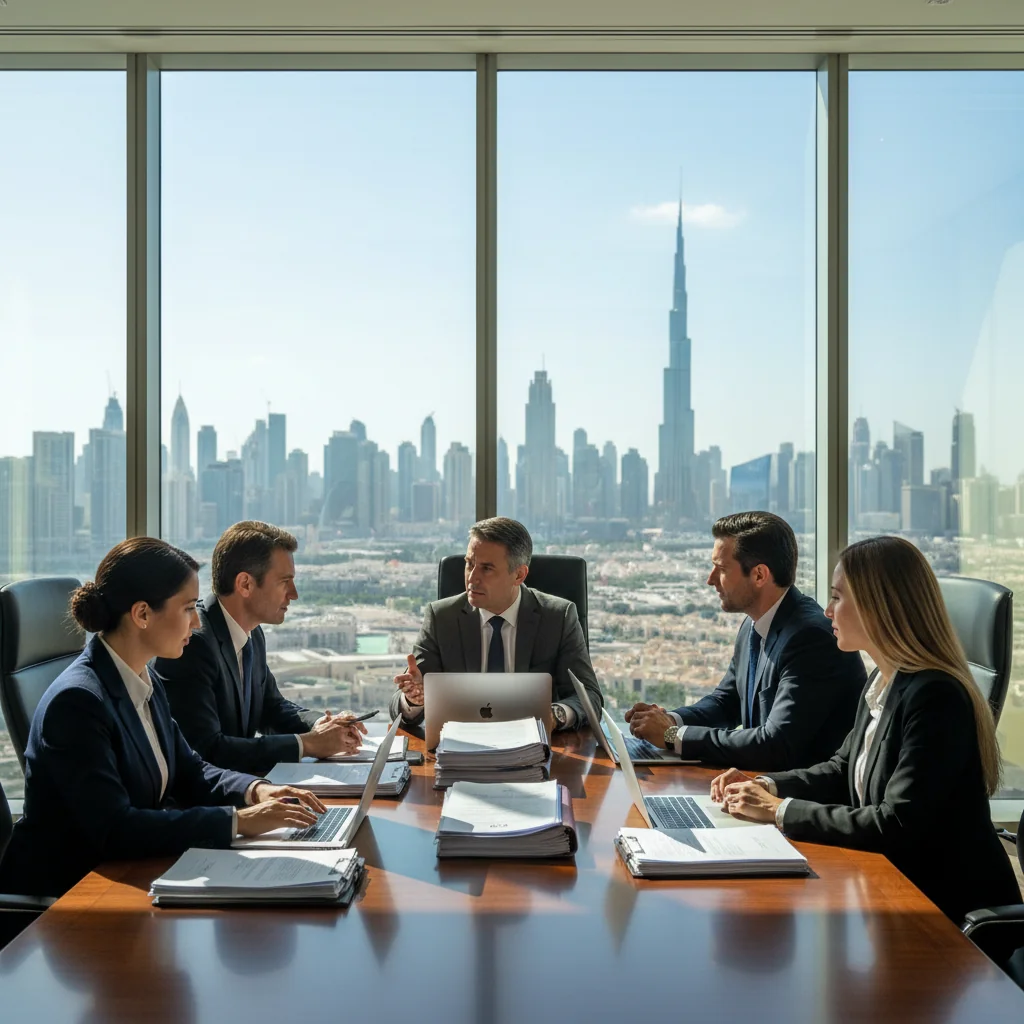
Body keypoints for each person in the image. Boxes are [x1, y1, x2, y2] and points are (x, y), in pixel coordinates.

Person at [713, 535, 1021, 924]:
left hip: (947, 913)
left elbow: (895, 824)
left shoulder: (935, 697)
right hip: (893, 891)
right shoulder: (883, 681)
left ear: (879, 607)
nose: (827, 612)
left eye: (838, 598)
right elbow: (842, 769)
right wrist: (766, 785)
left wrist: (779, 811)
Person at [0, 537, 328, 898]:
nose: (198, 622)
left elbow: (191, 769)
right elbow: (116, 827)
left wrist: (256, 791)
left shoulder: (142, 676)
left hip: (130, 873)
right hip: (70, 900)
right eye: (188, 608)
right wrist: (238, 822)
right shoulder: (77, 702)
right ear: (142, 614)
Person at [626, 512, 865, 769]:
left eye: (722, 569)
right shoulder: (754, 623)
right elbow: (726, 702)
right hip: (758, 785)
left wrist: (672, 737)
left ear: (760, 575)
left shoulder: (810, 637)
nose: (710, 579)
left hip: (805, 798)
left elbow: (775, 744)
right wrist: (669, 721)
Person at [153, 521, 366, 776]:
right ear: (245, 584)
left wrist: (323, 724)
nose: (294, 594)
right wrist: (308, 744)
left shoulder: (252, 634)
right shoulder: (193, 643)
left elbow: (271, 708)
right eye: (285, 581)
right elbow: (207, 750)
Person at [390, 517, 603, 731]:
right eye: (469, 564)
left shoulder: (558, 617)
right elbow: (402, 708)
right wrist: (413, 700)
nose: (472, 578)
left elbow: (589, 696)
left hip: (535, 749)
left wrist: (555, 715)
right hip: (460, 748)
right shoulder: (441, 617)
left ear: (519, 575)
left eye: (487, 568)